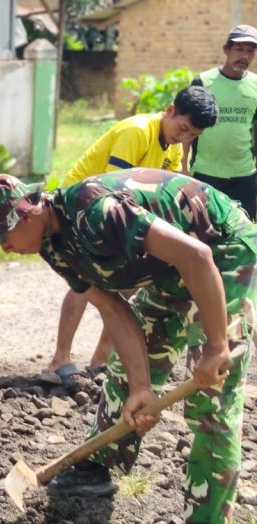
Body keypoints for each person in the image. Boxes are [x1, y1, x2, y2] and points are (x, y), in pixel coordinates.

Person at [0, 168, 256, 524]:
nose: (5, 247)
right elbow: (113, 308)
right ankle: (97, 464)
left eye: (4, 236)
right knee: (125, 370)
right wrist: (141, 387)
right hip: (170, 269)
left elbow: (197, 256)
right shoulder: (54, 246)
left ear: (26, 213)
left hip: (220, 250)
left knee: (212, 401)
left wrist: (216, 346)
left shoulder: (97, 213)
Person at [44, 86, 218, 386]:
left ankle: (101, 359)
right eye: (183, 128)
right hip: (79, 210)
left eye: (192, 135)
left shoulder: (174, 146)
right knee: (84, 281)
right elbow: (111, 188)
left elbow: (163, 191)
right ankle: (60, 359)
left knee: (129, 284)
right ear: (170, 110)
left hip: (120, 214)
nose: (184, 137)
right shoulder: (136, 131)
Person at [186, 24, 257, 219]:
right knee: (204, 228)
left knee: (243, 229)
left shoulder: (255, 85)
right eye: (239, 49)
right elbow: (188, 126)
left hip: (244, 175)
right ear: (226, 49)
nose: (244, 56)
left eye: (250, 51)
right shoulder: (203, 82)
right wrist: (182, 166)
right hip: (205, 173)